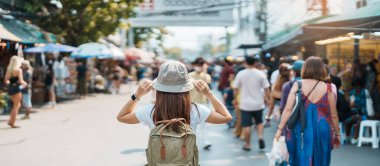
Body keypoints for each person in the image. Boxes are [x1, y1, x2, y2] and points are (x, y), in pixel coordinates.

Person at [117, 61, 232, 158]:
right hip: (186, 161)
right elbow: (226, 117)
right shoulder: (195, 110)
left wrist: (137, 95)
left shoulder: (150, 110)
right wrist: (209, 94)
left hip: (159, 161)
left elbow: (122, 117)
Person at [274, 56, 340, 166]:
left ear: (305, 69)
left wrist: (279, 129)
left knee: (302, 158)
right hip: (323, 128)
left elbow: (288, 109)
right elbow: (334, 115)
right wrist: (337, 134)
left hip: (301, 128)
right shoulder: (328, 88)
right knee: (321, 161)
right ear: (321, 70)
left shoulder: (298, 84)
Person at [233, 55, 270, 151]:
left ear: (245, 63)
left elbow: (236, 88)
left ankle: (247, 144)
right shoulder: (261, 74)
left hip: (245, 104)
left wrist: (235, 100)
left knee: (247, 125)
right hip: (258, 103)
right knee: (259, 122)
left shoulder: (241, 74)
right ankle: (260, 137)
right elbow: (267, 89)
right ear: (255, 63)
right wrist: (269, 100)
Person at [188, 57, 213, 150]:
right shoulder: (189, 75)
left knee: (205, 123)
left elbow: (208, 81)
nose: (198, 67)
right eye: (197, 65)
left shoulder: (205, 75)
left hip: (203, 103)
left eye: (200, 65)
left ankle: (207, 141)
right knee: (192, 124)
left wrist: (205, 69)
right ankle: (193, 142)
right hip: (191, 103)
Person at [4, 56, 27, 128]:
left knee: (16, 105)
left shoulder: (9, 69)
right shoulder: (18, 70)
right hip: (16, 88)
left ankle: (11, 120)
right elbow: (21, 81)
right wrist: (25, 83)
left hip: (10, 89)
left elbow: (6, 80)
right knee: (16, 106)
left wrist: (10, 84)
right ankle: (12, 123)